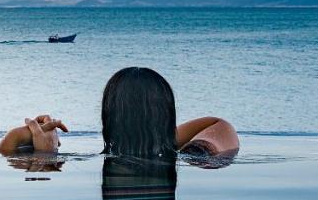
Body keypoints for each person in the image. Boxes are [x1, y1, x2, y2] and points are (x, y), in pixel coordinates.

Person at [101, 66, 239, 159]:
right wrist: (196, 148)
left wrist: (142, 138)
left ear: (107, 117)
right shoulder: (191, 156)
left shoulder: (105, 157)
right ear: (167, 113)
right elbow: (219, 124)